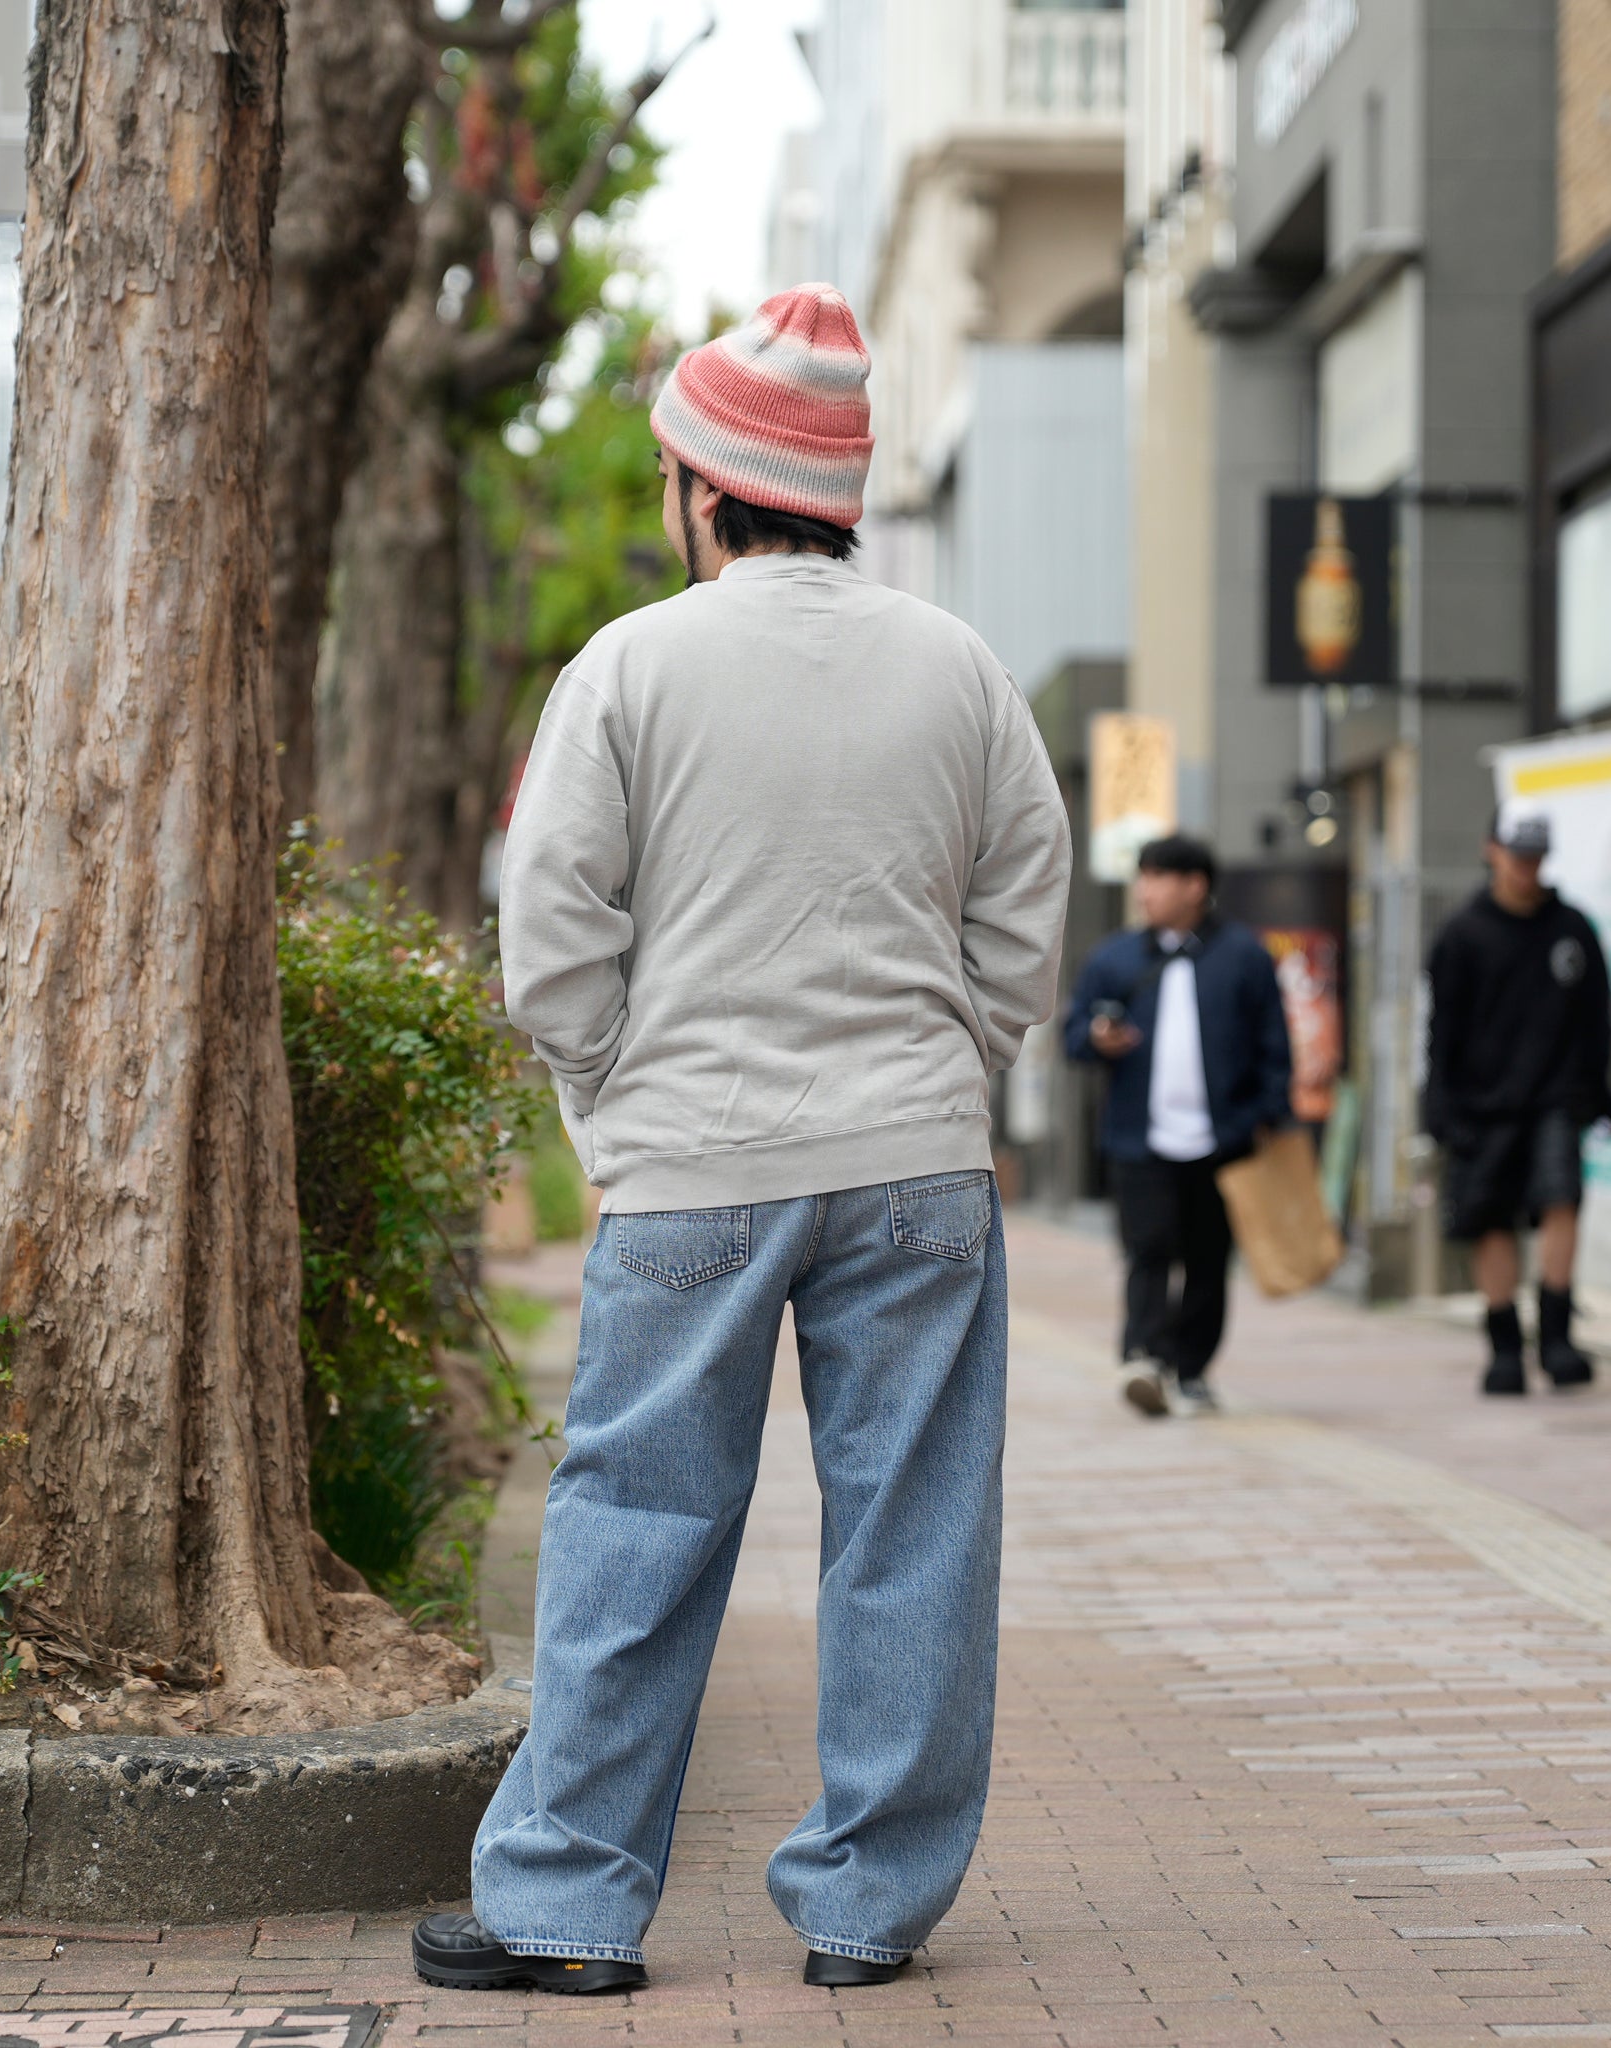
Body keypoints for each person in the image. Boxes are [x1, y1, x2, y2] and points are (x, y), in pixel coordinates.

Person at [409, 285, 1072, 1997]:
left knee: (635, 1518)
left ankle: (563, 1902)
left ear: (704, 486)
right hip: (915, 1160)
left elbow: (548, 927)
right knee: (911, 1526)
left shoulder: (629, 664)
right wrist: (959, 1054)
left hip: (691, 1158)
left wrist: (617, 1099)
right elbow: (1024, 910)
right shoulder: (961, 665)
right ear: (835, 493)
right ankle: (867, 1906)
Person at [1063, 836, 1292, 1418]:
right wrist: (1096, 1037)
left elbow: (1274, 1048)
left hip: (1223, 1138)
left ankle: (1191, 1370)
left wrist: (1259, 1119)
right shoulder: (1114, 958)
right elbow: (1072, 1035)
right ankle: (1143, 1357)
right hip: (1140, 1136)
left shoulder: (1245, 956)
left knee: (1209, 1259)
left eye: (1159, 877)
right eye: (1143, 876)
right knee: (1148, 1248)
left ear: (1196, 886)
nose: (1145, 890)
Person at [1424, 806, 1611, 1396]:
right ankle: (1505, 1345)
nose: (1526, 869)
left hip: (1557, 1097)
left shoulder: (1572, 930)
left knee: (1561, 1200)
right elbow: (1441, 1032)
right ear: (1491, 851)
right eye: (1516, 856)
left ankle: (1557, 1337)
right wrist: (1438, 1105)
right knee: (1491, 1219)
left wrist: (1602, 1092)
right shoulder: (1462, 934)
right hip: (1483, 1104)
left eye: (1535, 858)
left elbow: (1599, 1018)